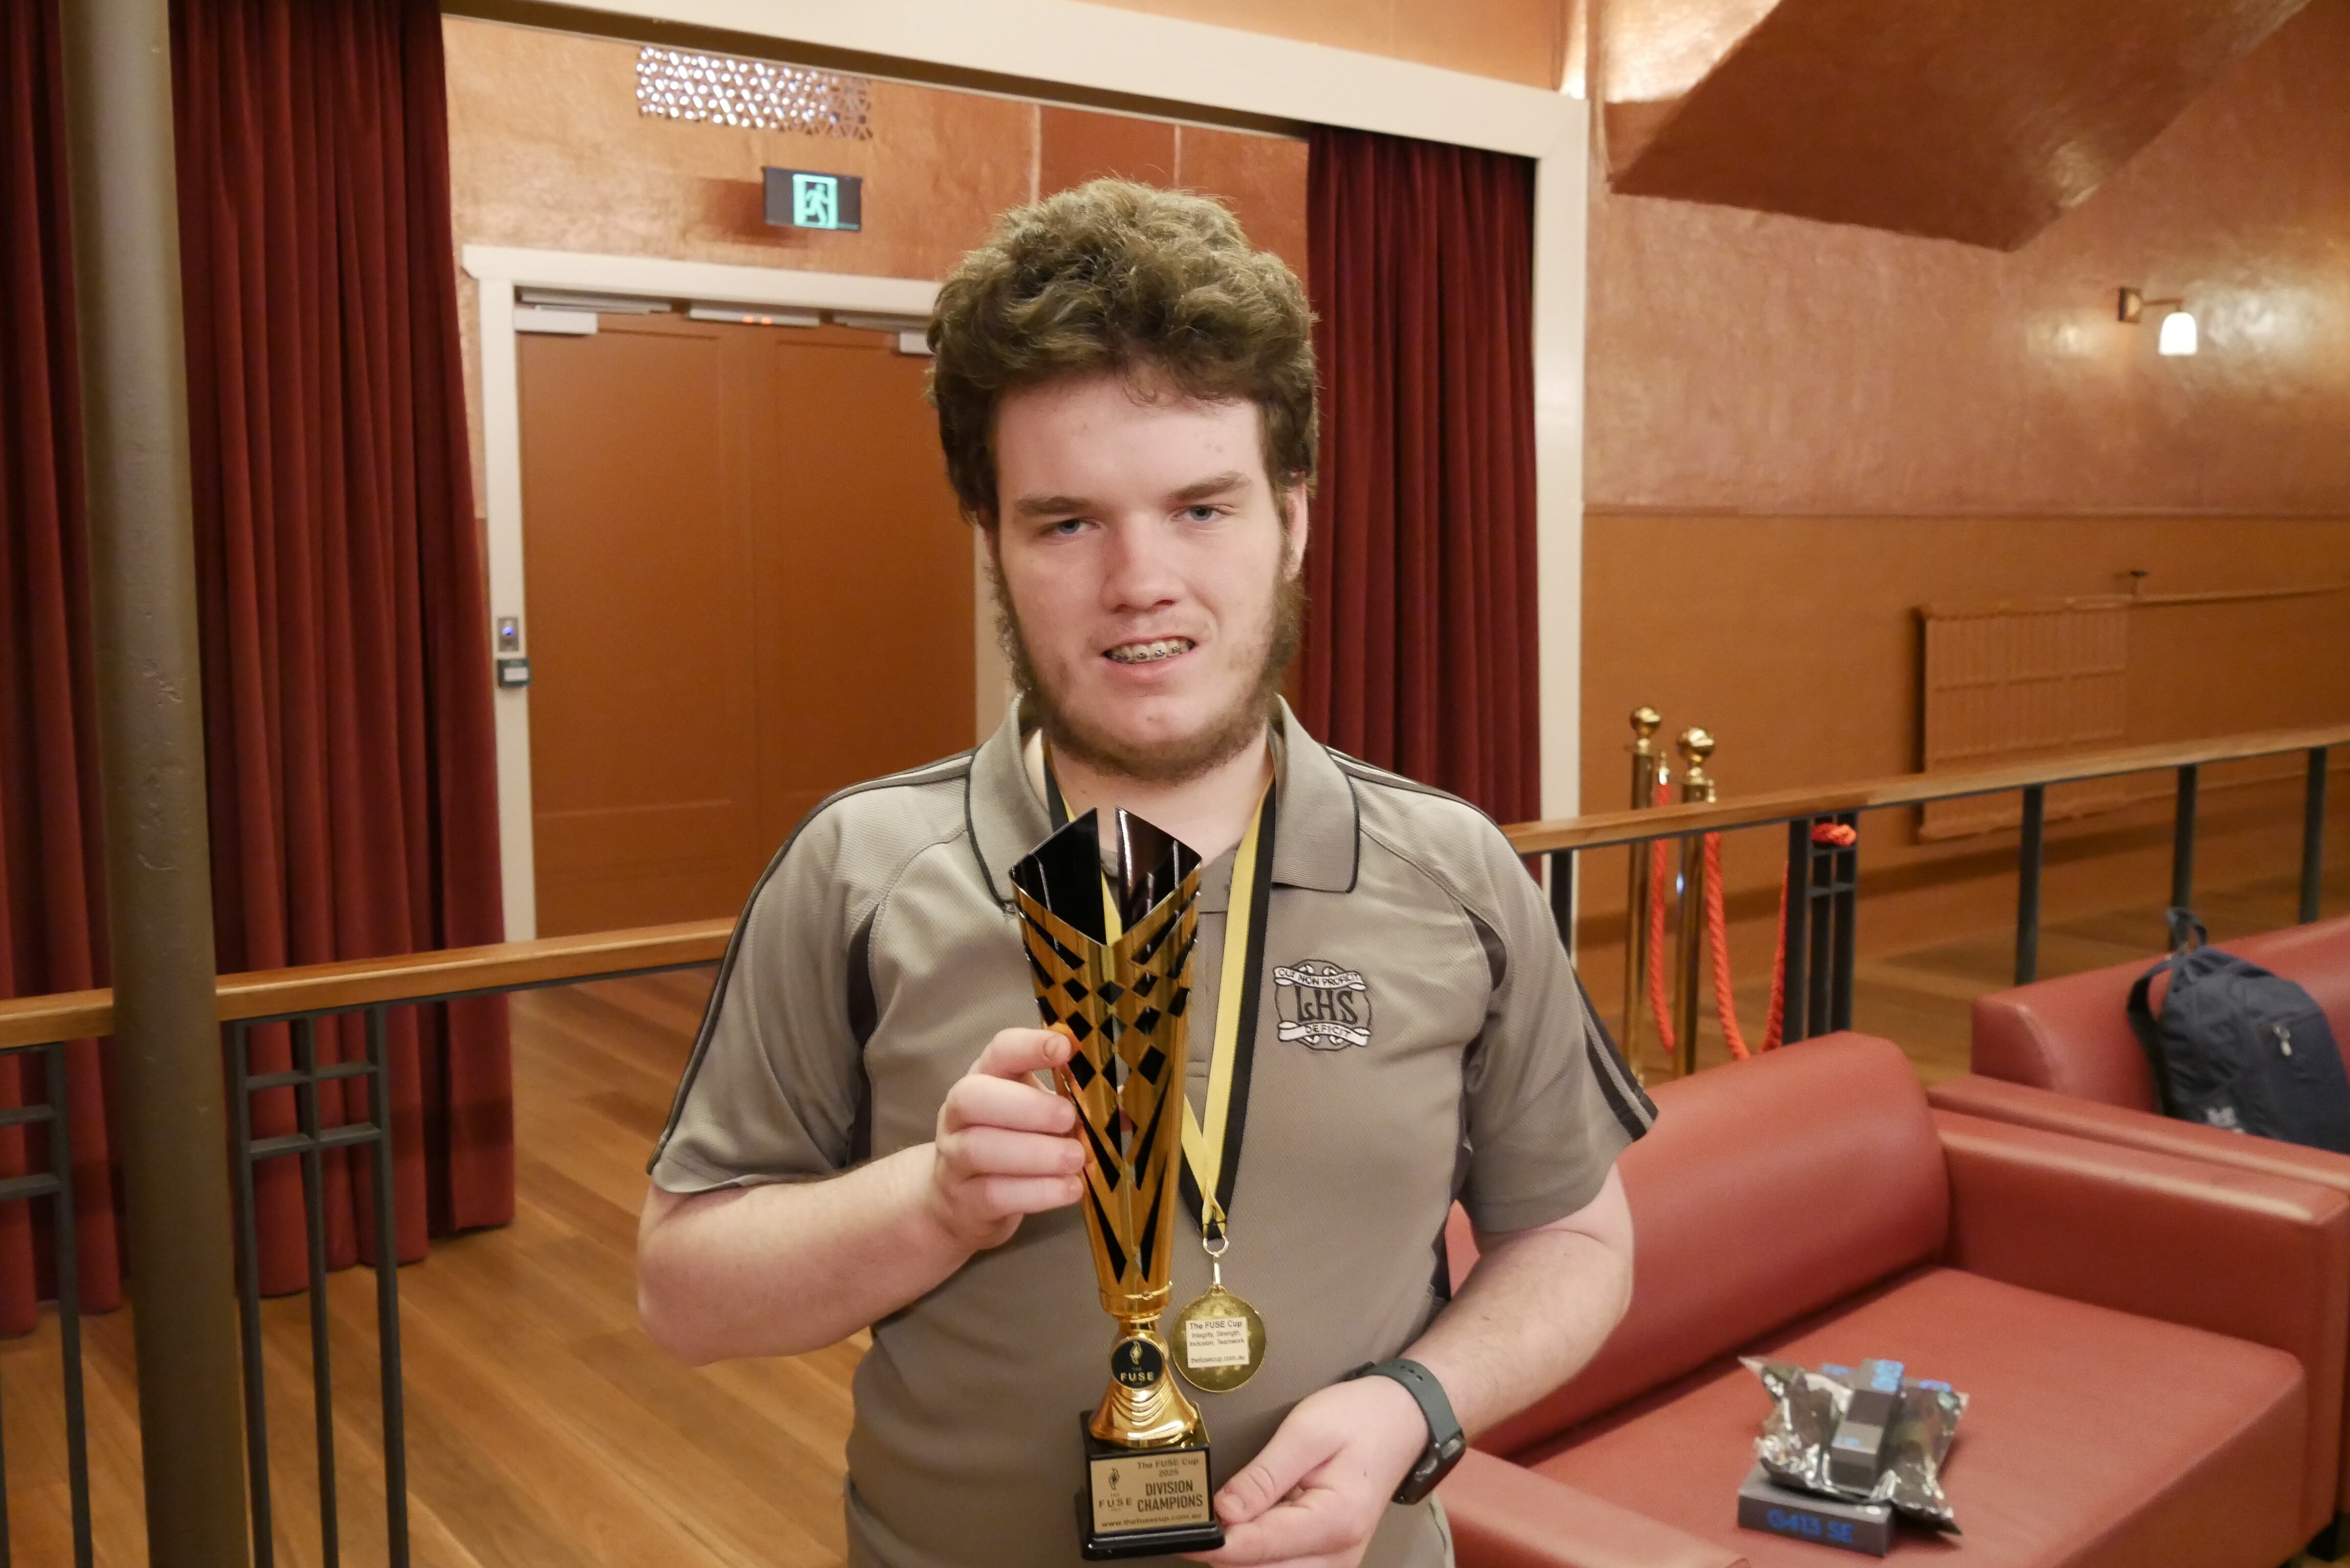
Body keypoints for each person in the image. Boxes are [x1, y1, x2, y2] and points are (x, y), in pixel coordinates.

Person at [636, 179, 1652, 1568]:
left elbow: (1580, 1243)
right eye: (1067, 523)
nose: (1141, 582)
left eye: (1200, 508)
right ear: (991, 539)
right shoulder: (859, 876)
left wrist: (1419, 1405)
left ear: (1292, 516)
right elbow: (686, 1299)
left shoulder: (1455, 873)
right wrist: (931, 1203)